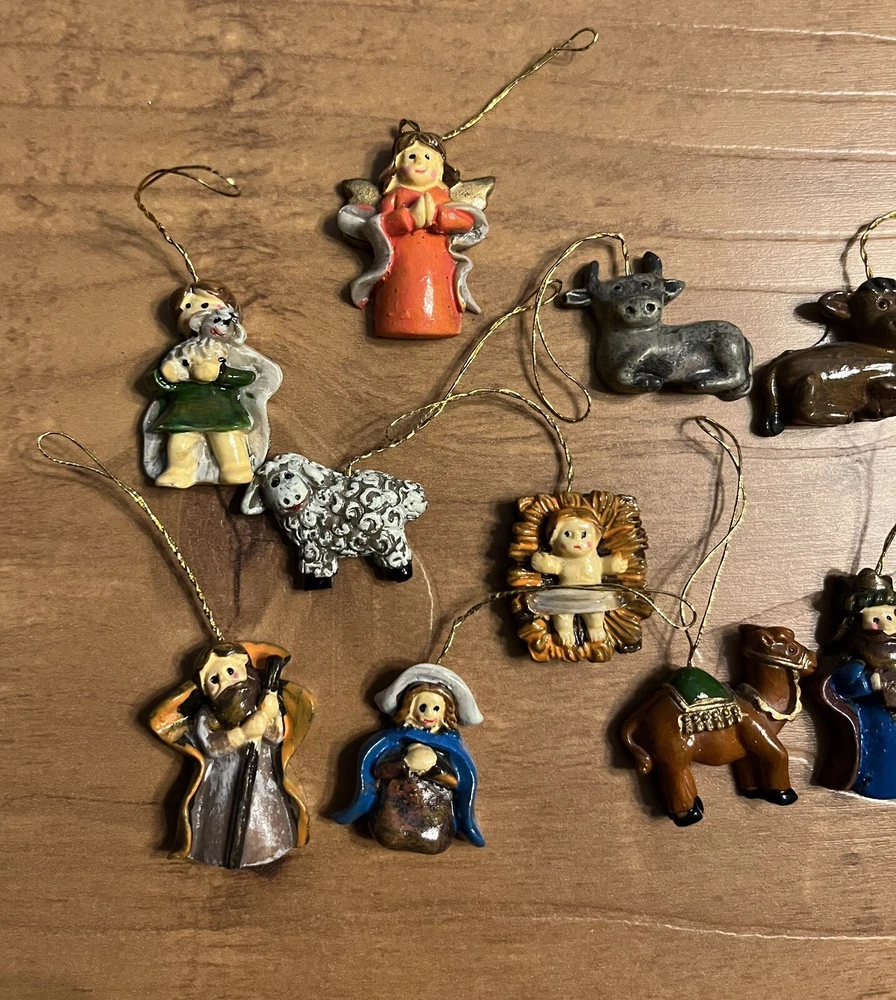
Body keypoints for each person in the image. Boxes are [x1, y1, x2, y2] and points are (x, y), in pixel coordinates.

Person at [148, 641, 314, 867]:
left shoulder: (261, 702)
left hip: (263, 782)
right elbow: (210, 746)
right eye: (214, 680)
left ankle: (267, 846)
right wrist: (242, 733)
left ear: (245, 667)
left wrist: (270, 714)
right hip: (221, 785)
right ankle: (217, 850)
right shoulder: (207, 715)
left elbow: (276, 737)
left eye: (230, 671)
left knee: (266, 817)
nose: (225, 682)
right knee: (221, 821)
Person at [338, 123, 489, 339]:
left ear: (439, 168)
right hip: (401, 262)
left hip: (437, 264)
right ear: (396, 167)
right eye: (411, 157)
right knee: (402, 293)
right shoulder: (394, 197)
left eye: (427, 157)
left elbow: (466, 221)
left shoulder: (442, 198)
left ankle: (440, 321)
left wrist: (440, 217)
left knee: (438, 293)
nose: (420, 163)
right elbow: (381, 225)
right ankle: (396, 321)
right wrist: (409, 218)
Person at [142, 280, 282, 488]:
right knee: (180, 441)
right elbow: (156, 379)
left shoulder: (232, 353)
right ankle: (178, 471)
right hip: (185, 409)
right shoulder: (183, 350)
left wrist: (222, 374)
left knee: (227, 439)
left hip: (222, 409)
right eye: (188, 307)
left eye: (205, 305)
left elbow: (249, 377)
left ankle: (235, 468)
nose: (197, 310)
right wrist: (167, 376)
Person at [333, 664, 485, 853]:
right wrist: (404, 764)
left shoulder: (450, 747)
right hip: (394, 814)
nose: (428, 714)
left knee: (435, 834)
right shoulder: (393, 741)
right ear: (410, 707)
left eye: (436, 708)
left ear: (445, 712)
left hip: (434, 816)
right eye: (423, 707)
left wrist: (433, 767)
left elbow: (455, 782)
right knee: (389, 829)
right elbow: (378, 771)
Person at [819, 568, 896, 798]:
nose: (887, 627)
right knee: (883, 757)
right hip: (876, 721)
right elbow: (843, 684)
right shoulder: (854, 663)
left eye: (891, 618)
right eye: (876, 620)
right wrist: (869, 684)